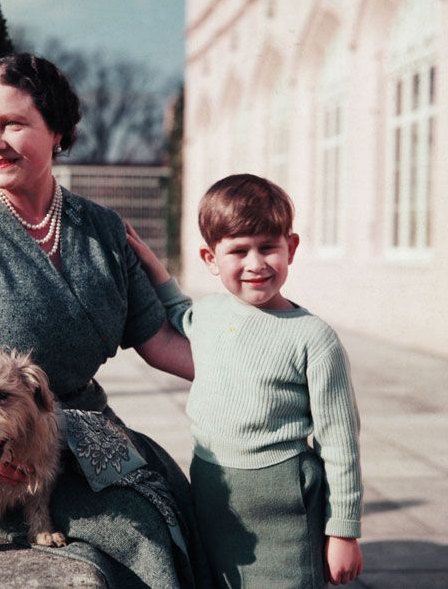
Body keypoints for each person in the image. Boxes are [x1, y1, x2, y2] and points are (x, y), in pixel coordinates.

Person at [0, 53, 211, 588]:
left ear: (58, 132)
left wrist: (258, 370)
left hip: (92, 433)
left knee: (174, 502)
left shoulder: (101, 229)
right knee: (134, 534)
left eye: (13, 123)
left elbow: (161, 341)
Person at [126, 173, 363, 587]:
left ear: (291, 248)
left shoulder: (313, 338)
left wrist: (343, 530)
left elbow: (339, 442)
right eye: (238, 251)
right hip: (214, 488)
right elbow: (178, 309)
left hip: (285, 506)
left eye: (268, 248)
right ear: (210, 259)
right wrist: (153, 265)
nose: (256, 264)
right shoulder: (212, 314)